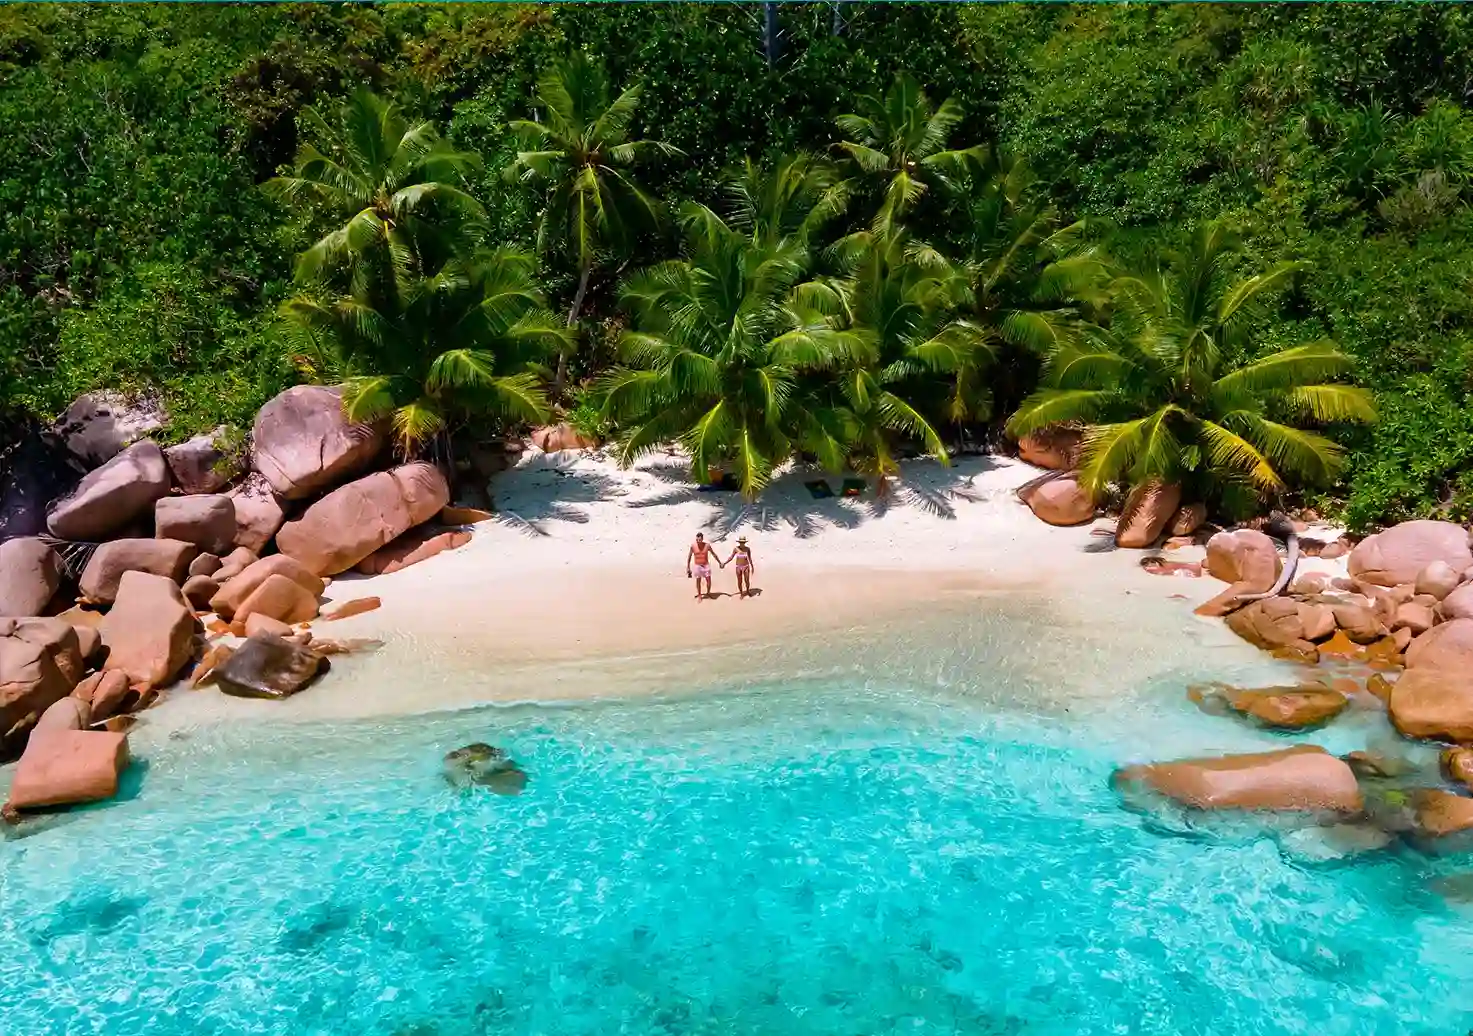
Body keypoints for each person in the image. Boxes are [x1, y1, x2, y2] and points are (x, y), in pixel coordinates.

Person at [687, 532, 716, 600]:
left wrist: (720, 562)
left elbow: (713, 554)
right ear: (696, 539)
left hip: (706, 565)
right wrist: (688, 567)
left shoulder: (707, 545)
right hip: (698, 565)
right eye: (697, 540)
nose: (698, 541)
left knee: (708, 580)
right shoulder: (693, 546)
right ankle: (700, 595)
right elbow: (689, 556)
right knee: (698, 580)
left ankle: (708, 593)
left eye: (700, 540)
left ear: (702, 539)